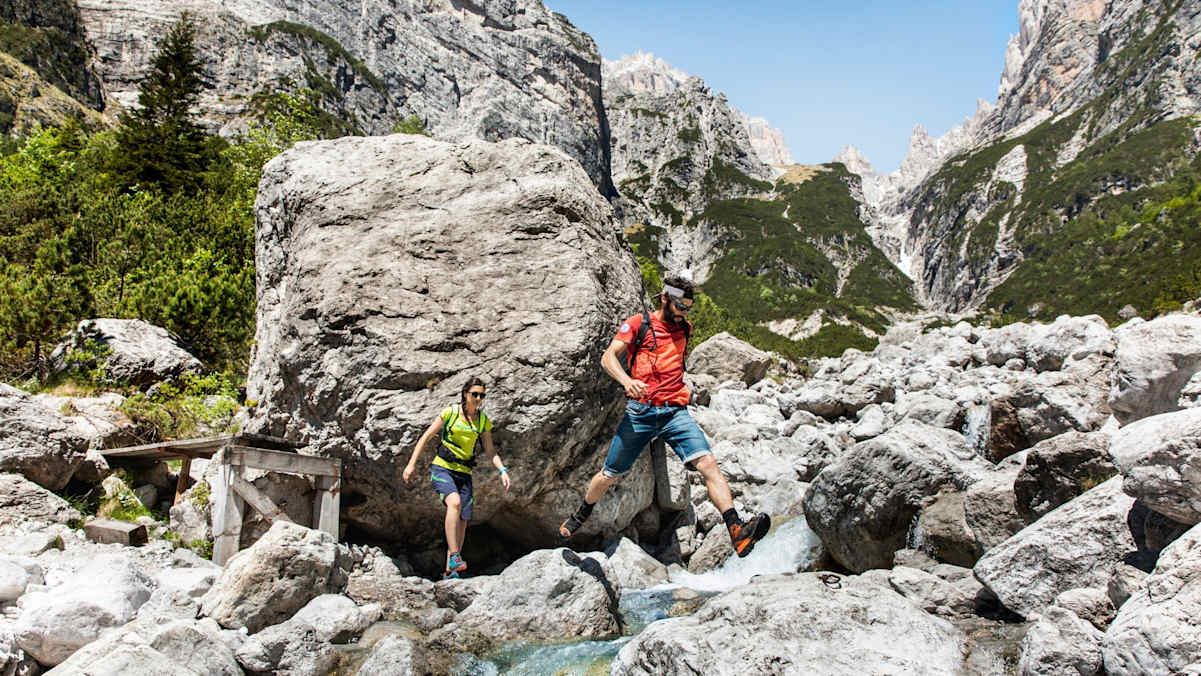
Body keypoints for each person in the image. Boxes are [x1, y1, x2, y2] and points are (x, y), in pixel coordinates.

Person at [558, 275, 771, 557]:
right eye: (680, 305)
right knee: (609, 474)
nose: (684, 313)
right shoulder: (638, 324)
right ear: (664, 299)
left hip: (674, 412)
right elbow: (608, 357)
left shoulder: (685, 330)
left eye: (688, 308)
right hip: (641, 413)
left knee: (708, 463)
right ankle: (581, 514)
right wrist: (626, 381)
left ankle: (736, 530)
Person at [404, 377, 512, 579]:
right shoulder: (451, 412)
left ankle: (451, 571)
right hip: (442, 468)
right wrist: (411, 464)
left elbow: (490, 451)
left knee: (463, 519)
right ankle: (455, 556)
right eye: (475, 394)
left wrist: (502, 470)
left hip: (464, 473)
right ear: (465, 393)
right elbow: (426, 437)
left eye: (482, 395)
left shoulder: (482, 420)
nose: (478, 398)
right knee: (454, 503)